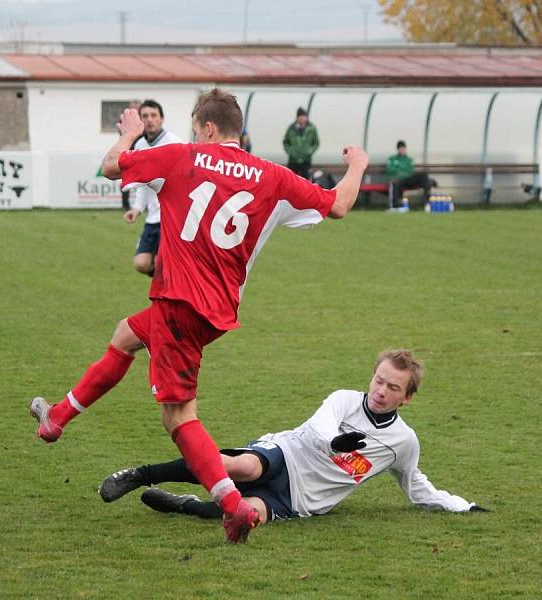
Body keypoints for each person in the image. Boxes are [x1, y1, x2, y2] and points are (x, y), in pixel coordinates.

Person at [29, 88, 369, 544]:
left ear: (207, 128)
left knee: (179, 417)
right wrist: (358, 165)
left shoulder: (180, 156)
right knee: (126, 335)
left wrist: (130, 134)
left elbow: (111, 166)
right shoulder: (272, 176)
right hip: (217, 312)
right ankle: (57, 418)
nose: (193, 134)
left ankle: (232, 508)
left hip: (178, 303)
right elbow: (340, 205)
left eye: (194, 127)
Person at [99, 349, 489, 525]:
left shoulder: (403, 442)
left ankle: (183, 505)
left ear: (408, 397)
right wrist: (337, 444)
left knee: (242, 514)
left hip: (303, 499)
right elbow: (320, 429)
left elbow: (416, 485)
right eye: (379, 379)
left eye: (393, 387)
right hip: (287, 453)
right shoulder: (343, 400)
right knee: (242, 466)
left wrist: (461, 506)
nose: (381, 389)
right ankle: (139, 474)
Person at [123, 100, 181, 277]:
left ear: (161, 119)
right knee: (141, 263)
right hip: (152, 217)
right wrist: (137, 208)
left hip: (171, 217)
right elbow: (143, 183)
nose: (150, 120)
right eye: (145, 116)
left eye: (154, 115)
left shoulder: (174, 144)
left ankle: (167, 295)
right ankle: (170, 285)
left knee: (162, 262)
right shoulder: (140, 146)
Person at [386, 140, 435, 210]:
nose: (402, 150)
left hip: (408, 179)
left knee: (423, 175)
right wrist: (402, 170)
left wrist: (398, 169)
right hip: (398, 180)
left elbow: (410, 171)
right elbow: (389, 170)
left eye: (404, 148)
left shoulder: (409, 159)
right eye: (401, 148)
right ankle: (395, 205)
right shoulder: (392, 159)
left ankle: (427, 201)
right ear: (398, 149)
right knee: (395, 183)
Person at [282, 107, 319, 180]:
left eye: (304, 117)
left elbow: (316, 143)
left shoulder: (312, 128)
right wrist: (291, 151)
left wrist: (310, 151)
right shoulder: (291, 128)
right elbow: (286, 142)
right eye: (300, 117)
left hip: (306, 160)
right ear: (297, 118)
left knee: (305, 181)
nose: (302, 118)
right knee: (292, 180)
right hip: (293, 160)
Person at [119, 100, 142, 210]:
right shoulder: (125, 120)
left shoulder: (143, 121)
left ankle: (143, 204)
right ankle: (125, 204)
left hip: (142, 152)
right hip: (129, 152)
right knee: (125, 180)